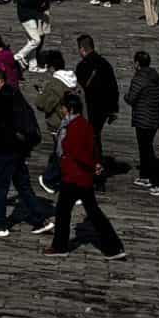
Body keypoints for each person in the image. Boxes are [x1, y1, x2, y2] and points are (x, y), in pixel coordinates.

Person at [46, 92, 127, 259]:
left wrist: (92, 165)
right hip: (83, 177)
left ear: (69, 109)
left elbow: (77, 151)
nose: (61, 110)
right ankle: (114, 247)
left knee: (63, 212)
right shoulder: (84, 124)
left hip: (74, 177)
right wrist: (96, 164)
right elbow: (92, 147)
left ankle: (60, 246)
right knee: (94, 213)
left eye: (62, 107)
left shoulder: (74, 126)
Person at [0, 65, 52, 236]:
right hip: (20, 148)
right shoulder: (13, 93)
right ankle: (40, 220)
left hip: (7, 148)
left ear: (1, 81)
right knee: (23, 185)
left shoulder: (2, 97)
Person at [127, 50, 159, 195]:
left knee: (147, 150)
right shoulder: (155, 76)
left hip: (143, 118)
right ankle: (144, 176)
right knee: (145, 147)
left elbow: (131, 98)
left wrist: (126, 97)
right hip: (155, 117)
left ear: (137, 63)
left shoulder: (139, 78)